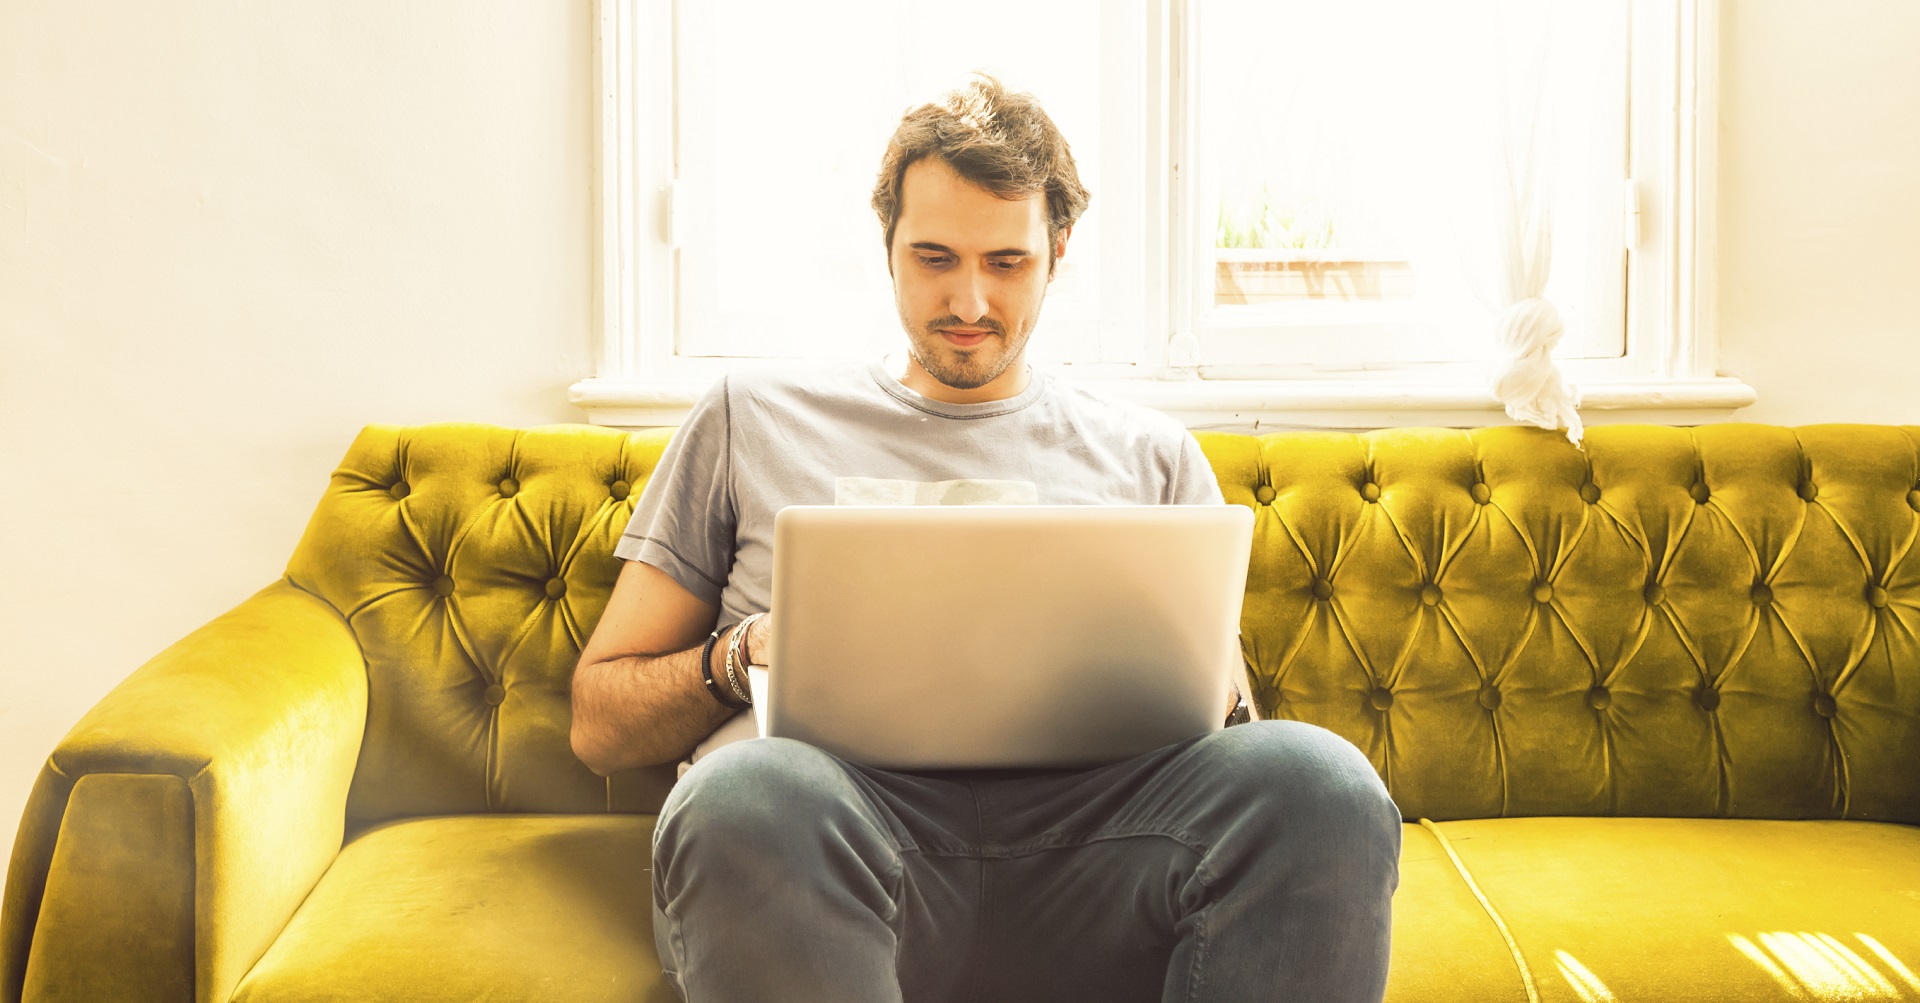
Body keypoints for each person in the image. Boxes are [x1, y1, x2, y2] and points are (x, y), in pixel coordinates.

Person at [571, 74, 1403, 1003]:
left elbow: (1230, 730)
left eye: (1006, 263)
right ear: (886, 244)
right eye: (934, 257)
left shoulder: (1153, 457)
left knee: (1319, 781)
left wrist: (1199, 691)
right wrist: (743, 656)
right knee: (741, 797)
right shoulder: (749, 418)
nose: (968, 301)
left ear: (1058, 252)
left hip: (1099, 851)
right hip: (833, 836)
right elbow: (599, 720)